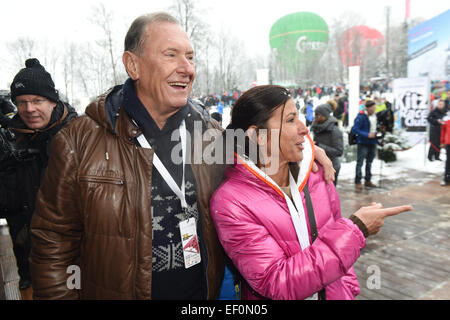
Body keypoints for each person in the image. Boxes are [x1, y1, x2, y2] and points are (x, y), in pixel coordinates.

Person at [27, 12, 340, 300]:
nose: (187, 68)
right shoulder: (80, 141)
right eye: (171, 55)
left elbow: (265, 154)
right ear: (133, 65)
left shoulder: (213, 137)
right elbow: (52, 243)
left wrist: (310, 153)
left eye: (190, 57)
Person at [210, 85, 413, 300]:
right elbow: (275, 282)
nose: (304, 128)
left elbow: (338, 238)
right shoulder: (231, 202)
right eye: (290, 120)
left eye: (299, 117)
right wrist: (356, 230)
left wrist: (348, 291)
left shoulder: (317, 174)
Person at [0, 58, 77, 290]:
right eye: (22, 102)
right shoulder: (11, 139)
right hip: (27, 258)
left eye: (37, 100)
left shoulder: (78, 135)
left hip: (72, 257)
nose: (29, 109)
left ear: (53, 101)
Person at [311, 104, 343, 186]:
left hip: (332, 166)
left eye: (318, 115)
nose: (315, 117)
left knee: (330, 194)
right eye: (315, 114)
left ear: (324, 116)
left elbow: (339, 151)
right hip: (319, 166)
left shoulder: (334, 131)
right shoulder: (315, 127)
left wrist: (319, 146)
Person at [352, 100, 378, 191]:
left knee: (369, 162)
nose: (374, 109)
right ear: (367, 108)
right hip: (363, 142)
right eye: (372, 108)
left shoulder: (375, 116)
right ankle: (358, 181)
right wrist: (366, 134)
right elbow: (355, 129)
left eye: (375, 108)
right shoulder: (361, 116)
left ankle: (368, 180)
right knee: (360, 162)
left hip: (373, 142)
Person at [440, 110, 450, 186]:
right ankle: (446, 178)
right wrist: (442, 141)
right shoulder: (446, 118)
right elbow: (443, 130)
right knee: (448, 161)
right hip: (448, 143)